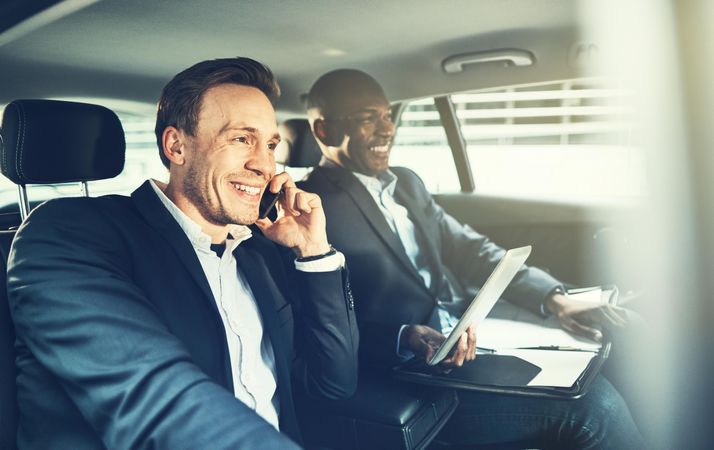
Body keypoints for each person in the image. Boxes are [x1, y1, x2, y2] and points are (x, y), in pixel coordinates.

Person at [7, 58, 358, 450]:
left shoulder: (259, 253)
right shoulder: (68, 236)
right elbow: (154, 399)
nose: (264, 164)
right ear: (176, 146)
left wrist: (314, 253)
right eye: (242, 139)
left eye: (271, 144)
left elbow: (332, 386)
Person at [298, 68, 646, 449]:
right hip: (414, 371)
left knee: (622, 335)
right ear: (325, 132)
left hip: (471, 326)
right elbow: (317, 322)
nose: (387, 129)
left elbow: (468, 248)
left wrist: (555, 299)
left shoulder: (406, 182)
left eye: (387, 115)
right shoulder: (309, 209)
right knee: (597, 407)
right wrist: (402, 337)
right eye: (368, 118)